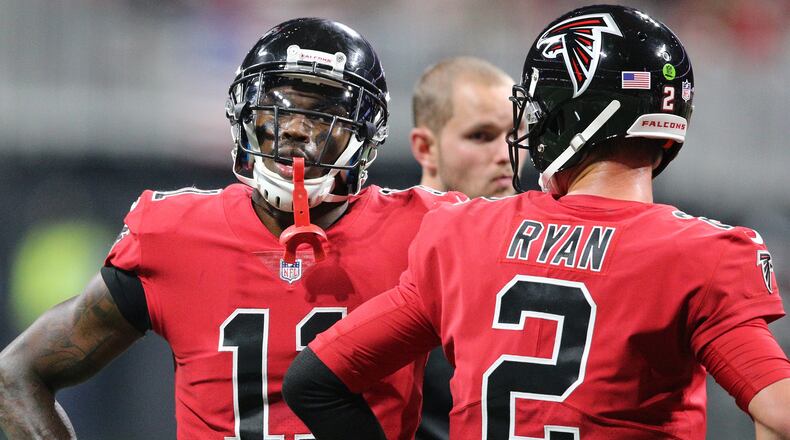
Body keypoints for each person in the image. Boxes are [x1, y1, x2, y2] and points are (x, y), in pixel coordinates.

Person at [283, 5, 790, 439]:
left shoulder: (462, 230)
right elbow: (779, 410)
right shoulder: (701, 253)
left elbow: (312, 380)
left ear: (568, 115)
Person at [0, 18, 465, 439]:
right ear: (246, 116)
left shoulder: (425, 231)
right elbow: (16, 375)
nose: (295, 129)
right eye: (277, 108)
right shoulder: (174, 235)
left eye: (322, 115)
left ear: (365, 133)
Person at [408, 56, 523, 440]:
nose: (507, 153)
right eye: (481, 136)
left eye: (516, 134)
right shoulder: (385, 243)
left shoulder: (538, 243)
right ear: (426, 148)